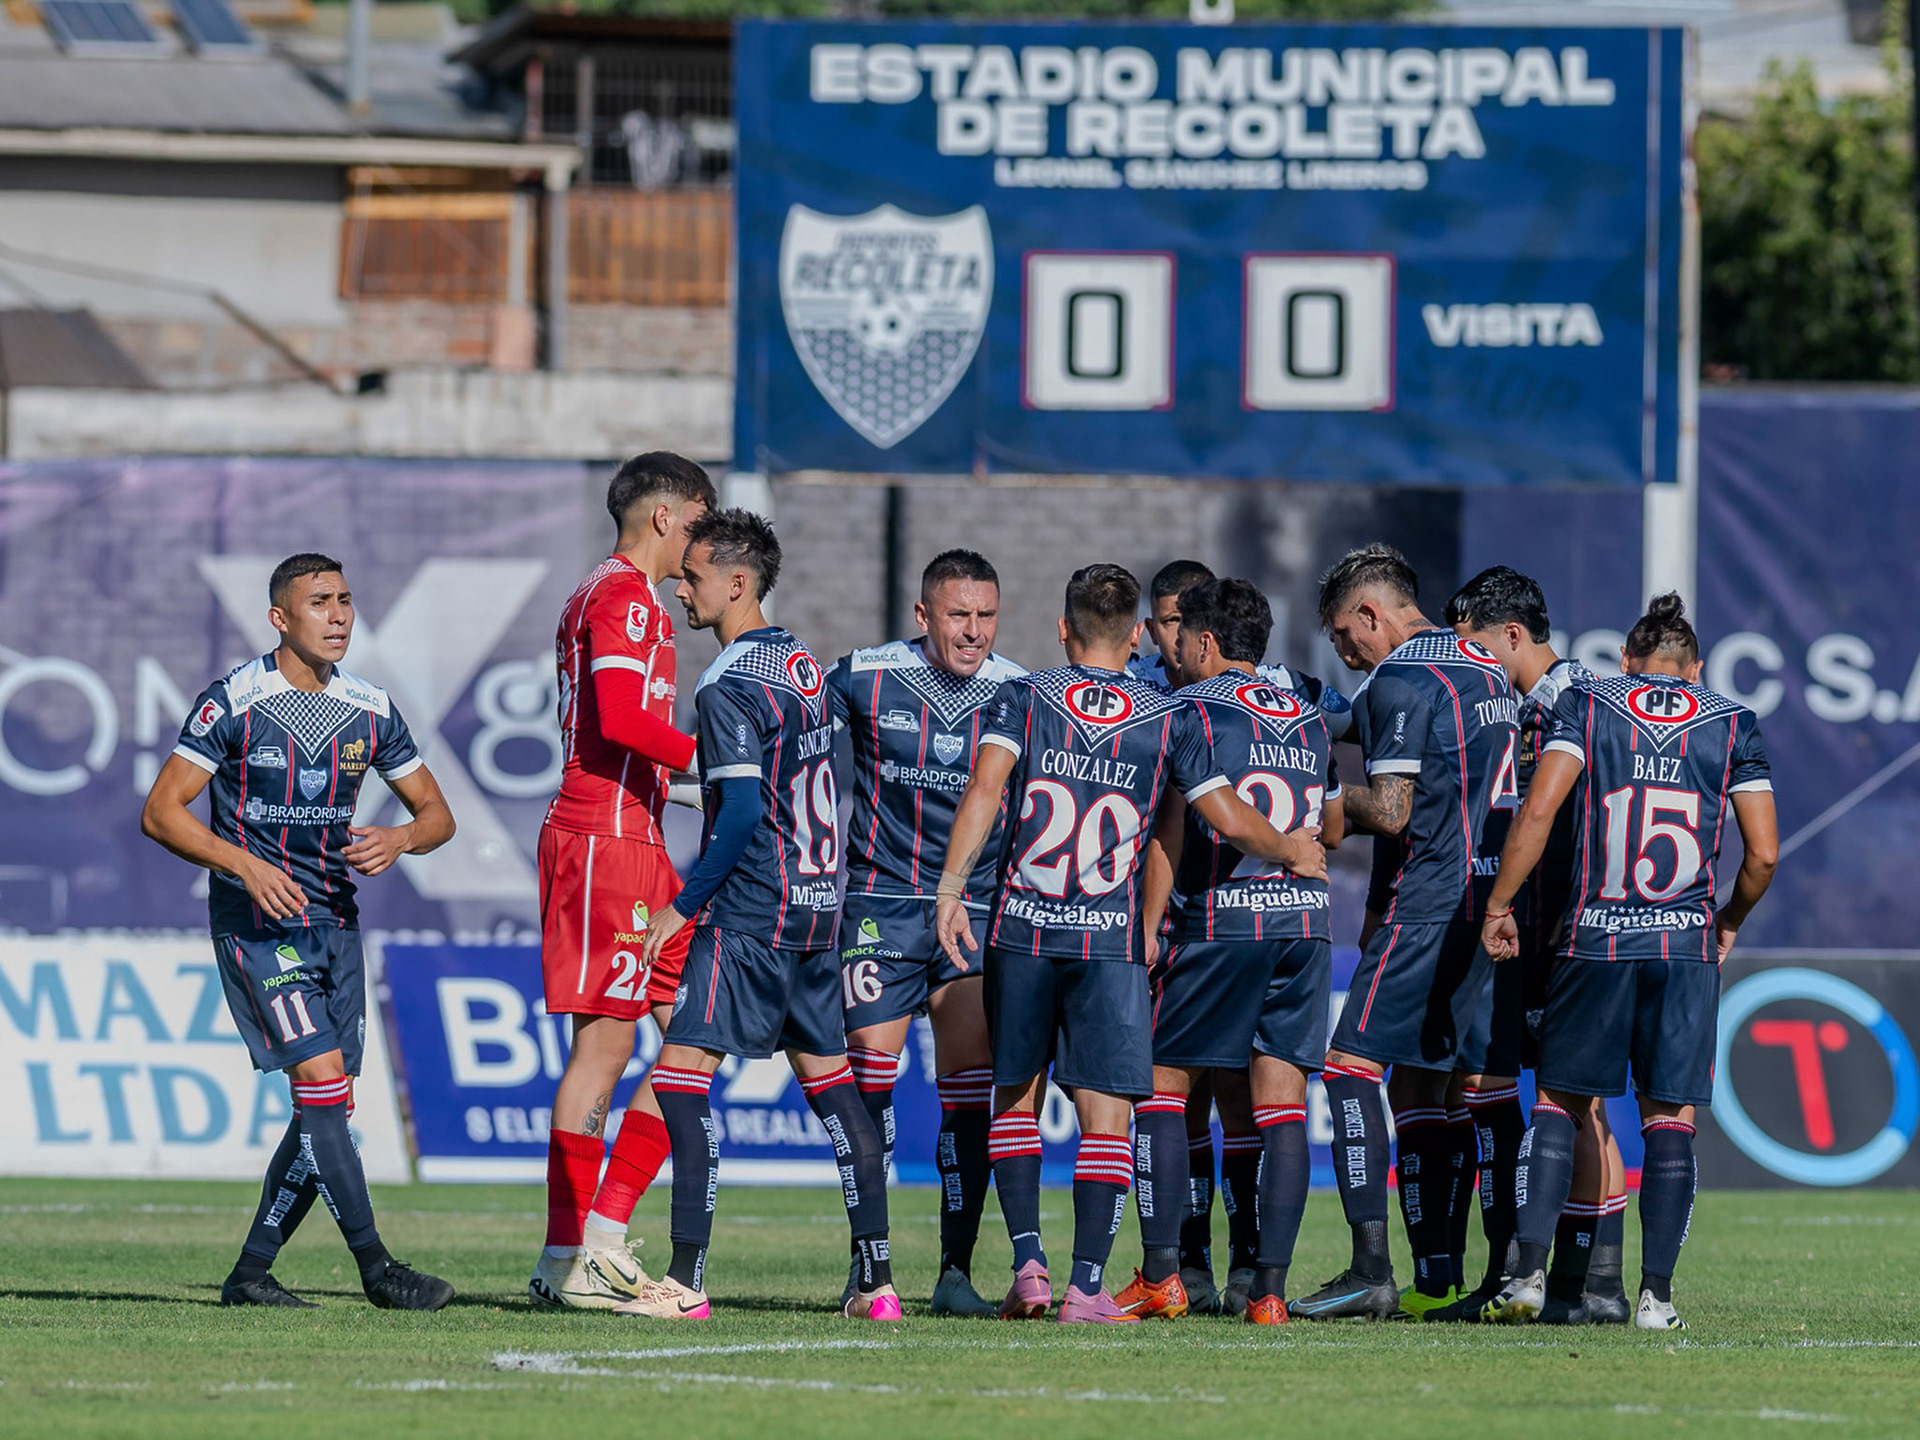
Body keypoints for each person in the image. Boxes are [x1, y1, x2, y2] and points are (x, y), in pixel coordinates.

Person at [934, 563, 1326, 1324]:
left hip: (1023, 927)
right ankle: (1087, 1285)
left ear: (1061, 628)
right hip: (1108, 940)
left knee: (1015, 1097)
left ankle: (1029, 1267)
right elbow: (1217, 812)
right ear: (1141, 634)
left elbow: (985, 791)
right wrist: (1288, 851)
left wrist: (951, 890)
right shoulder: (1164, 714)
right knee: (1108, 1110)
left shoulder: (1025, 695)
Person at [141, 553, 457, 1310]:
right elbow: (162, 812)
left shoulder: (371, 707)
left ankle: (251, 1274)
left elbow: (439, 816)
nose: (340, 615)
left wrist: (403, 839)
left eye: (346, 600)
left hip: (335, 925)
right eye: (320, 602)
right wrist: (244, 866)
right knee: (319, 1083)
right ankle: (380, 1271)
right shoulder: (234, 702)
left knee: (328, 1109)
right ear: (281, 618)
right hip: (257, 926)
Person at [610, 508, 899, 1321]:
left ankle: (685, 1281)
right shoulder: (804, 665)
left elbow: (739, 814)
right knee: (835, 1091)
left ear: (737, 584)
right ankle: (876, 1282)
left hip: (751, 917)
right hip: (816, 910)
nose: (679, 586)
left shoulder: (727, 680)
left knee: (679, 1078)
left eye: (692, 574)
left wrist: (681, 907)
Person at [1480, 594, 1777, 1331]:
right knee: (1668, 1121)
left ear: (1628, 661)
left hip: (1596, 937)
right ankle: (1656, 1298)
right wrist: (1728, 920)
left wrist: (1500, 905)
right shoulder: (1732, 720)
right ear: (1697, 668)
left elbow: (1540, 811)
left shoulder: (1590, 703)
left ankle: (1525, 1277)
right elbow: (1764, 853)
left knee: (1558, 1105)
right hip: (1684, 946)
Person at [1290, 545, 1517, 1322]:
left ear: (1370, 614)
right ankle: (1449, 1273)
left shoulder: (1397, 679)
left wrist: (1328, 801)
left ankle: (1368, 1271)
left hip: (1425, 904)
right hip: (1492, 903)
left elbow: (1388, 809)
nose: (1344, 653)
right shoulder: (1487, 666)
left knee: (1351, 1069)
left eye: (1343, 637)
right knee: (1443, 1087)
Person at [1126, 557, 1353, 1314]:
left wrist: (1154, 923)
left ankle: (1164, 1275)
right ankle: (1268, 1292)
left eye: (1184, 637)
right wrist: (1300, 847)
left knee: (1162, 1089)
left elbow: (1206, 817)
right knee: (1281, 1102)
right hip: (1306, 925)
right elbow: (1332, 821)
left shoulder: (1191, 712)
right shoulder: (1306, 715)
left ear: (1209, 642)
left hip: (1224, 921)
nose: (1176, 651)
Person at [529, 452, 715, 1310]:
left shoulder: (604, 593)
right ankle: (583, 1254)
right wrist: (718, 759)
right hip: (606, 842)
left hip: (629, 837)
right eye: (703, 520)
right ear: (668, 517)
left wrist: (686, 784)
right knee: (606, 1049)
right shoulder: (623, 596)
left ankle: (576, 1248)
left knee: (695, 1033)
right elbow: (622, 719)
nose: (707, 540)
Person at [825, 549, 1024, 1317]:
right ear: (923, 616)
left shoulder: (1019, 690)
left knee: (966, 1094)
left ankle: (953, 1272)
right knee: (867, 1090)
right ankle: (867, 1268)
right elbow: (786, 731)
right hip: (878, 905)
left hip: (972, 914)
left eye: (985, 616)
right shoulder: (865, 676)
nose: (972, 632)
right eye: (957, 615)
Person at [1443, 566, 1626, 1325]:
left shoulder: (1574, 704)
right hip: (1546, 934)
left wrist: (1504, 903)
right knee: (1552, 1102)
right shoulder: (1554, 703)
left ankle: (1594, 1284)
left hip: (1572, 935)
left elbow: (1552, 821)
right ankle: (1559, 1279)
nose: (1472, 665)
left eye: (1476, 647)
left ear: (1512, 636)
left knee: (1577, 1108)